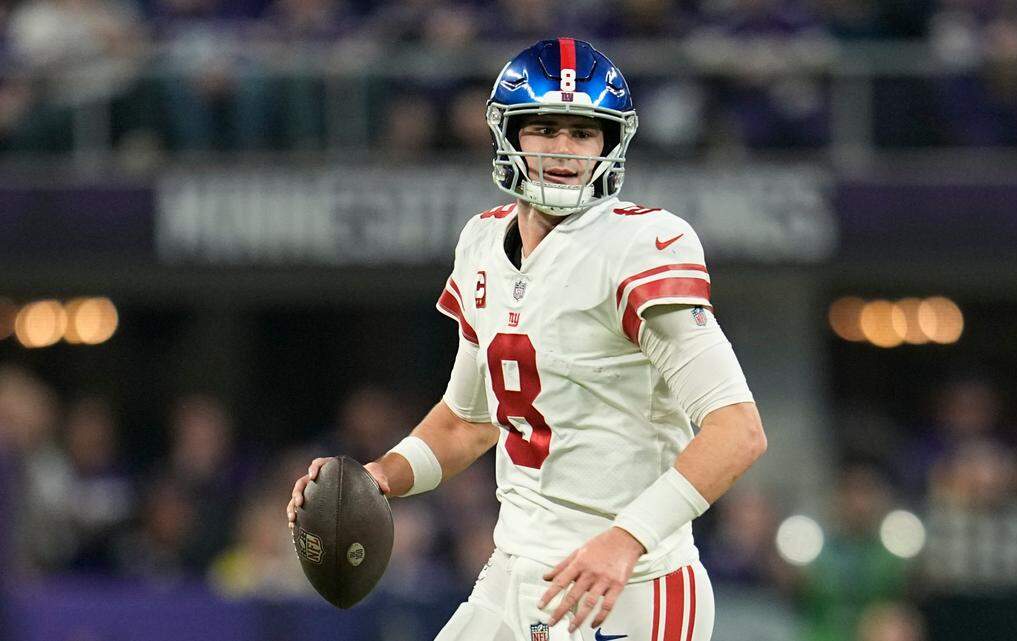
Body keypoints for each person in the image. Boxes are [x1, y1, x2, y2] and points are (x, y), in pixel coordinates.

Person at [287, 38, 768, 641]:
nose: (564, 151)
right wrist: (380, 476)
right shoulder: (483, 243)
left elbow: (737, 429)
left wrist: (627, 539)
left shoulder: (638, 248)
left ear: (609, 144)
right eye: (544, 128)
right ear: (506, 134)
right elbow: (469, 421)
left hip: (627, 585)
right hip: (512, 569)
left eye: (583, 133)